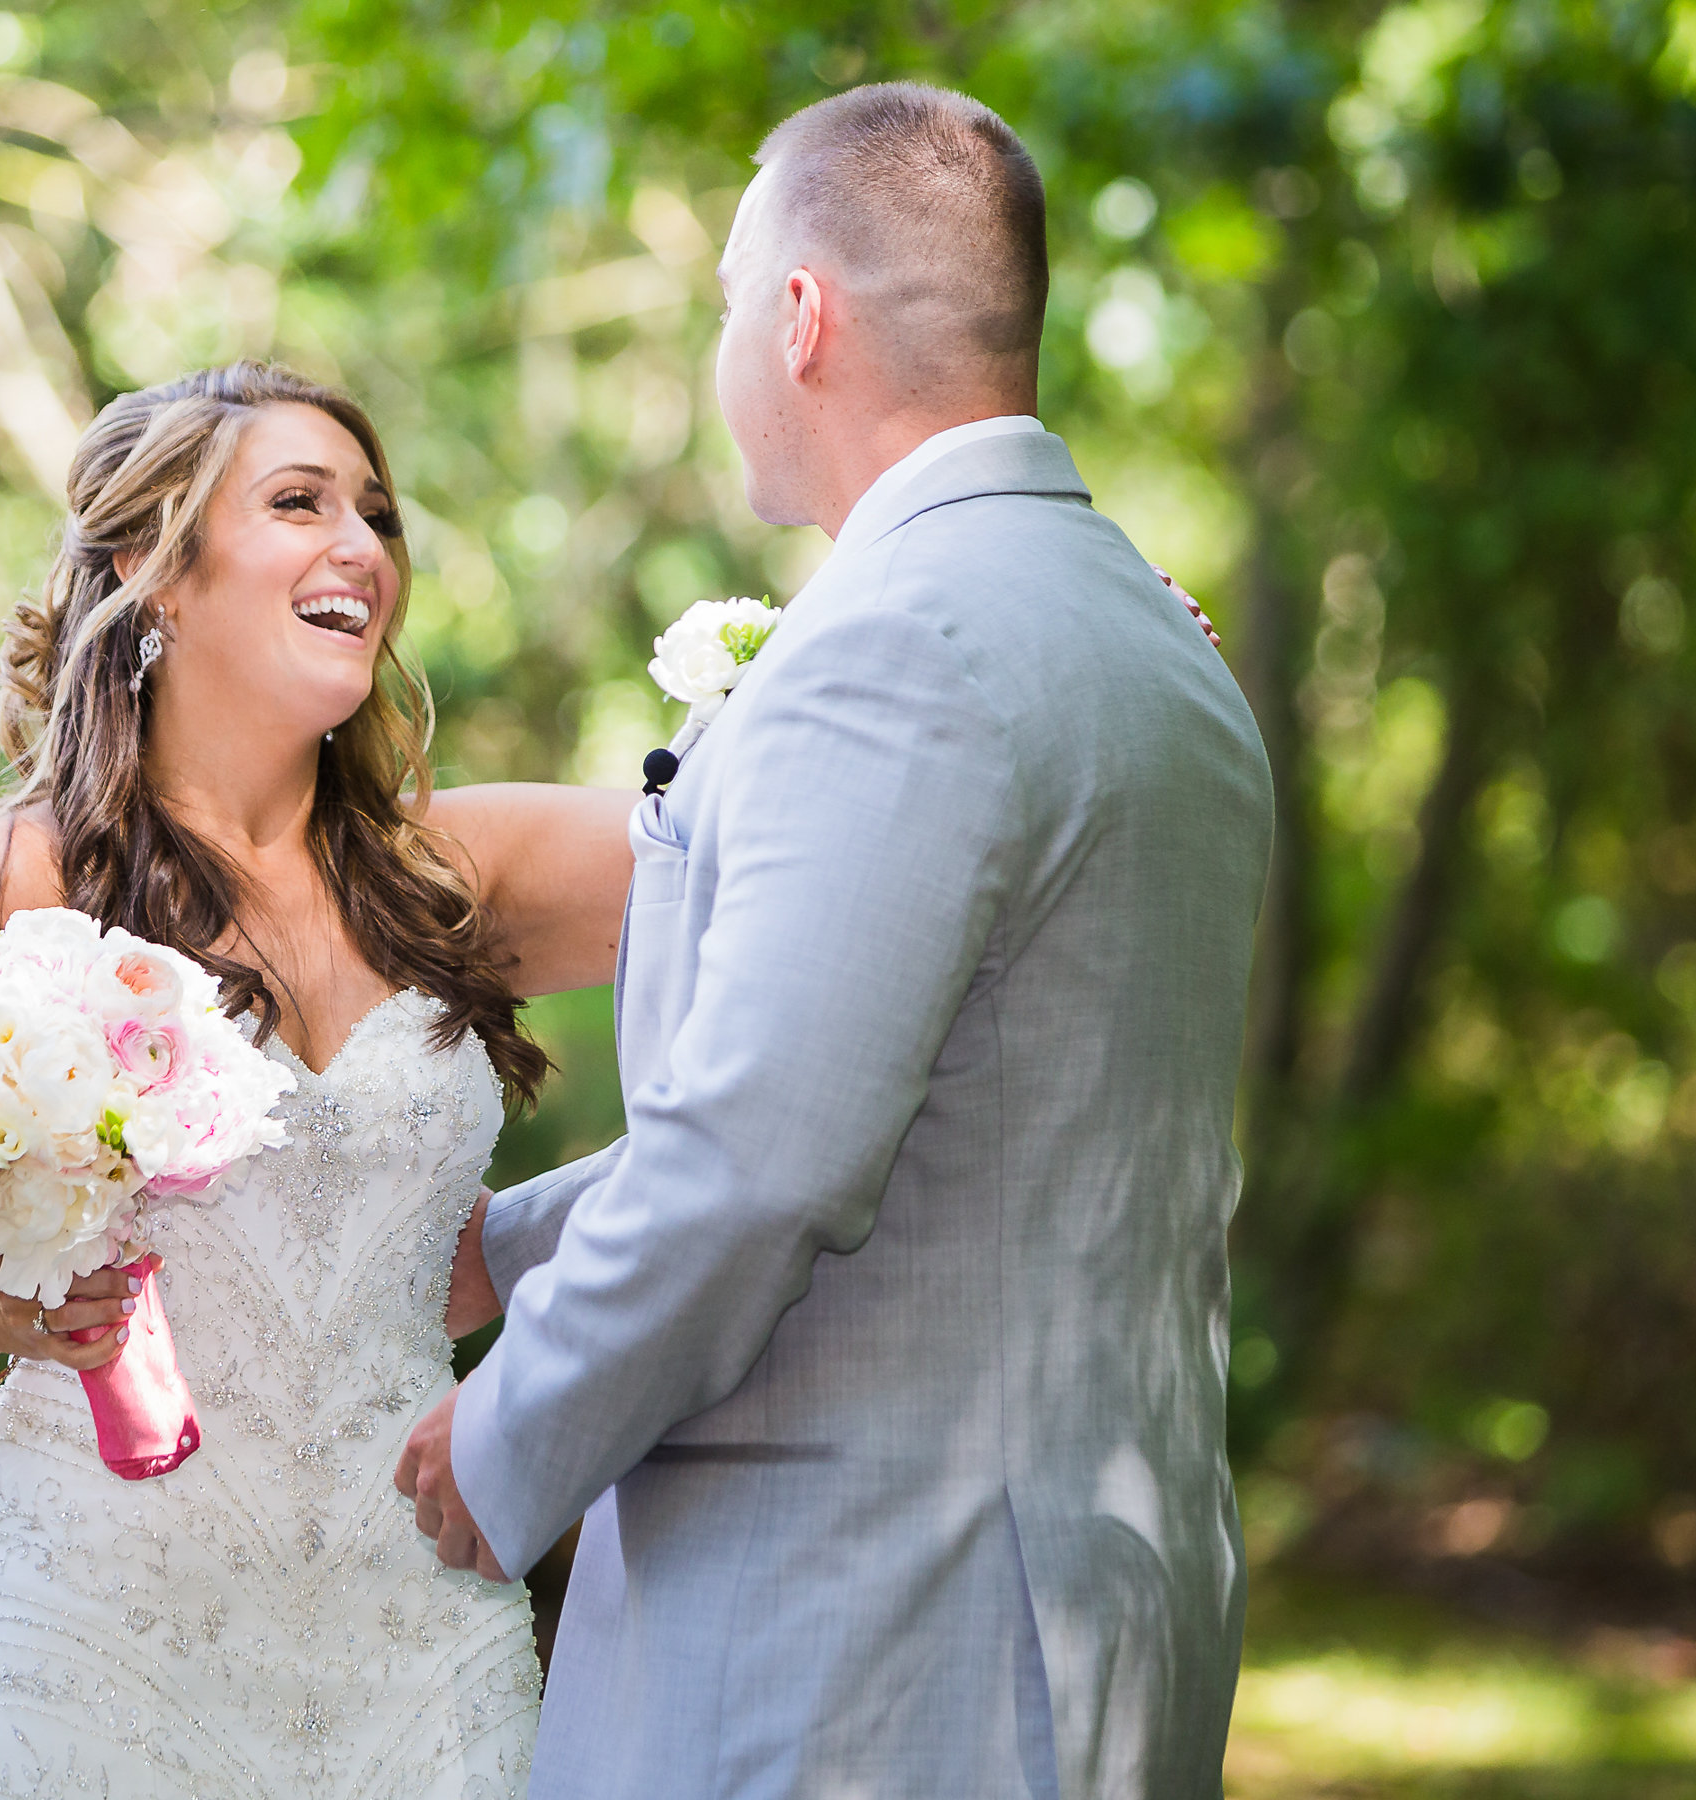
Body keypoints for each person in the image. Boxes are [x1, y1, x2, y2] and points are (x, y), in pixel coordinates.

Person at [396, 83, 1273, 1798]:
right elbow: (955, 1107)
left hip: (870, 1642)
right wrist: (503, 1245)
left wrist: (509, 1438)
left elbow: (767, 1163)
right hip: (1091, 1607)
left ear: (801, 317)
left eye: (729, 300)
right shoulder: (1162, 651)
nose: (723, 344)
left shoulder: (895, 648)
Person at [0, 361, 635, 1799]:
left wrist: (1097, 642)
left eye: (375, 513)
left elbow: (787, 833)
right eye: (299, 503)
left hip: (416, 1637)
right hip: (91, 1642)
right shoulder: (9, 884)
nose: (363, 547)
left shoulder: (449, 878)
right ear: (154, 571)